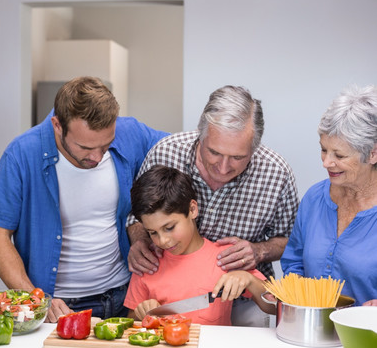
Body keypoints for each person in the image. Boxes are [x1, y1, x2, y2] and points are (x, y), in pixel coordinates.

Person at [0, 76, 168, 322]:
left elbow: (184, 149)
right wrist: (35, 299)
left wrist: (138, 228)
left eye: (106, 145)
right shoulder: (21, 154)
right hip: (58, 307)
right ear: (57, 125)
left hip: (125, 296)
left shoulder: (129, 132)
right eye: (85, 147)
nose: (97, 157)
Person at [126, 85, 299, 326]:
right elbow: (137, 216)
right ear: (201, 134)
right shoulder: (165, 153)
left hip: (246, 298)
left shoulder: (276, 173)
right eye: (214, 152)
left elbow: (291, 242)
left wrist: (258, 251)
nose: (224, 167)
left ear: (254, 147)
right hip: (166, 287)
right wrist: (142, 242)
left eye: (238, 157)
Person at [125, 165, 275, 324]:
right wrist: (142, 313)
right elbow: (130, 319)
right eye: (152, 232)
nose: (162, 241)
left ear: (192, 209)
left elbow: (274, 306)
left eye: (169, 228)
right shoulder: (147, 264)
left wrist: (249, 280)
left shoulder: (225, 258)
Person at [281, 85, 377, 307]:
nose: (326, 163)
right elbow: (294, 262)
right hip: (311, 332)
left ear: (373, 153)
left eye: (339, 155)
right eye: (323, 149)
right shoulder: (315, 198)